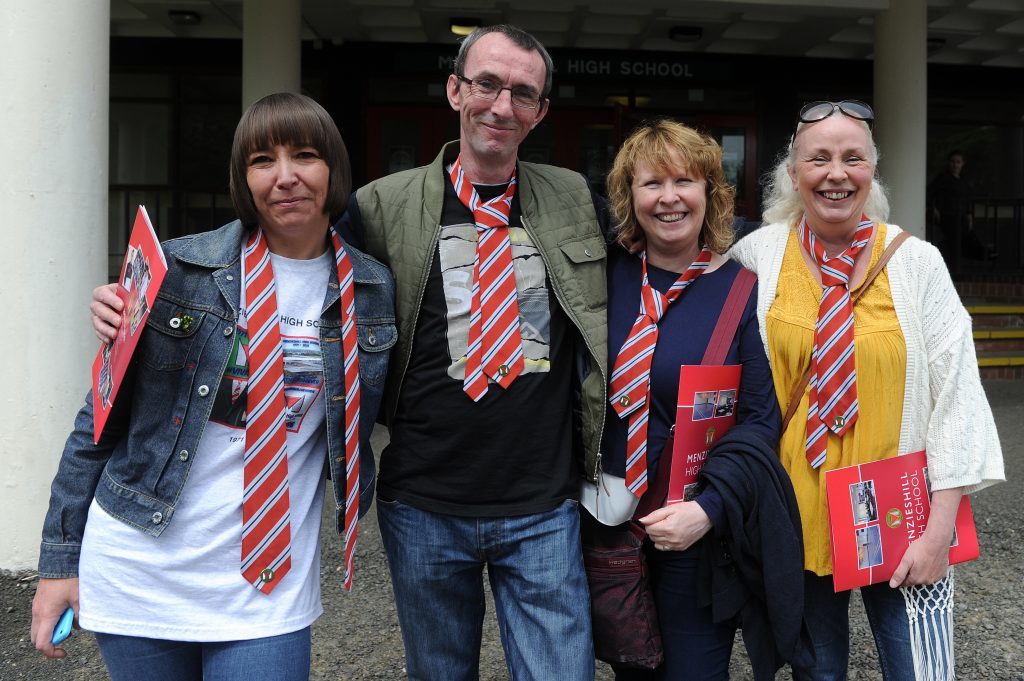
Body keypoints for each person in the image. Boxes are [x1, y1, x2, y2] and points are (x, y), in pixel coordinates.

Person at [32, 92, 396, 681]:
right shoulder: (176, 272)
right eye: (261, 161)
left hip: (268, 582)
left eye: (304, 155)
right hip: (139, 568)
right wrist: (58, 564)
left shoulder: (372, 288)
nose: (285, 178)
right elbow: (97, 424)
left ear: (333, 169)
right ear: (242, 178)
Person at [729, 100, 1005, 680]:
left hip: (904, 514)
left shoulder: (919, 264)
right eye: (819, 159)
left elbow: (958, 396)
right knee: (817, 671)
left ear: (871, 172)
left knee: (921, 670)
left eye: (853, 158)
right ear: (794, 173)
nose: (836, 173)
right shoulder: (759, 254)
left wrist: (938, 533)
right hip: (795, 509)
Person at [588, 119, 803, 680]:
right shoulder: (598, 280)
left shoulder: (740, 290)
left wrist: (707, 511)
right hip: (603, 526)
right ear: (628, 197)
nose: (668, 197)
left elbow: (759, 420)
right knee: (631, 670)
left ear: (710, 192)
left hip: (693, 530)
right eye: (650, 183)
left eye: (684, 180)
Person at [926, 150, 978, 272]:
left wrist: (969, 213)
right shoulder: (943, 178)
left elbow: (967, 198)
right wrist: (933, 208)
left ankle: (958, 267)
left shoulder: (963, 180)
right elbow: (930, 193)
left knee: (963, 241)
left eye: (958, 162)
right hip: (948, 215)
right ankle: (952, 269)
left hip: (962, 216)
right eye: (953, 162)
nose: (955, 164)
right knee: (952, 242)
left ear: (963, 163)